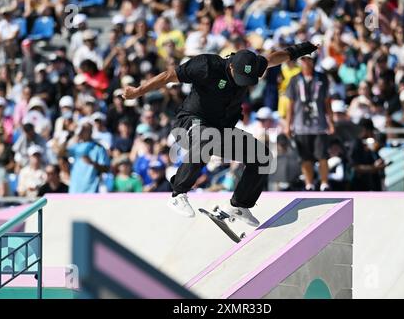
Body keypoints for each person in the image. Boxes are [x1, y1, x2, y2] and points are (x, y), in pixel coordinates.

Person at [123, 41, 318, 226]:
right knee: (206, 137)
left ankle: (239, 205)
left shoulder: (255, 64)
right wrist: (138, 91)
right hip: (190, 121)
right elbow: (167, 76)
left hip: (221, 128)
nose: (242, 83)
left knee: (262, 156)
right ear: (232, 66)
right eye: (239, 78)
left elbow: (278, 57)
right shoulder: (206, 65)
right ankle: (178, 194)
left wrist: (305, 48)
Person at [285, 52, 334, 191]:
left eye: (309, 59)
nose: (306, 62)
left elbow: (327, 102)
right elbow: (290, 105)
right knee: (304, 157)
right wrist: (288, 125)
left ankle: (324, 183)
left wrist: (331, 121)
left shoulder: (322, 78)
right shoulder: (294, 80)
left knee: (322, 155)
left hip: (319, 123)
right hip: (301, 124)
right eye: (304, 59)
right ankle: (309, 183)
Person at [63, 120, 110, 193]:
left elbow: (106, 168)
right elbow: (60, 153)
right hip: (75, 189)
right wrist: (73, 134)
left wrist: (92, 163)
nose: (83, 131)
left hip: (91, 190)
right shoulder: (76, 147)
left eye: (86, 129)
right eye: (82, 129)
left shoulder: (98, 148)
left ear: (91, 131)